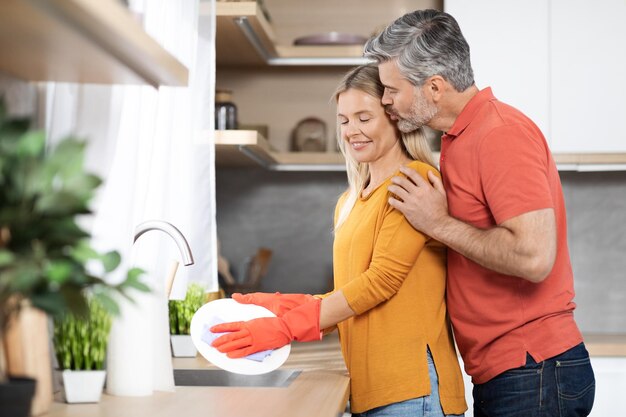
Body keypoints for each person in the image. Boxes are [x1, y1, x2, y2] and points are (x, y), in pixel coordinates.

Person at [363, 9, 595, 417]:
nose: (385, 101)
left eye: (391, 90)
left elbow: (534, 257)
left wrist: (437, 222)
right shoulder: (461, 137)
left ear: (433, 87)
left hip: (533, 367)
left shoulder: (499, 134)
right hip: (513, 371)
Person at [210, 64, 467, 417]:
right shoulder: (350, 202)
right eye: (344, 120)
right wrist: (281, 305)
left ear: (395, 118)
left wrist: (286, 327)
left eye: (364, 117)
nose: (352, 131)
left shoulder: (414, 182)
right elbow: (353, 293)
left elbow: (381, 282)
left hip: (411, 389)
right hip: (371, 388)